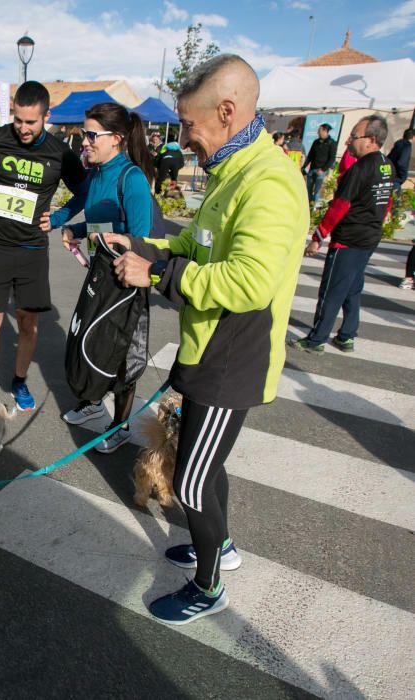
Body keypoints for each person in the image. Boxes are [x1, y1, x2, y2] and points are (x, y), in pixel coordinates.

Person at [103, 54, 307, 624]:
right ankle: (221, 544)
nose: (184, 137)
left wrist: (159, 275)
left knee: (191, 482)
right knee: (205, 466)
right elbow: (195, 243)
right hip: (206, 350)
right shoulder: (232, 172)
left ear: (226, 111)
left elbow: (248, 282)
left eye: (189, 124)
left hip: (232, 359)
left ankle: (209, 584)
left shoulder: (268, 182)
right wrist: (142, 248)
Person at [0, 81, 88, 411]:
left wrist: (58, 218)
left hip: (32, 251)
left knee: (27, 323)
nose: (22, 128)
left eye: (31, 122)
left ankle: (20, 381)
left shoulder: (59, 152)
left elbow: (84, 191)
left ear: (46, 116)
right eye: (18, 120)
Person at [43, 104, 155, 453]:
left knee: (123, 354)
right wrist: (73, 227)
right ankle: (93, 404)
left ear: (116, 139)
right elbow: (98, 216)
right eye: (83, 134)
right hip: (100, 274)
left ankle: (120, 426)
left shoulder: (131, 178)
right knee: (90, 342)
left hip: (126, 282)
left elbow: (143, 241)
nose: (85, 142)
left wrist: (112, 248)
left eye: (91, 135)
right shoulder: (97, 173)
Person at [289, 115, 394, 354]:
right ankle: (347, 334)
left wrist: (319, 236)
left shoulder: (359, 169)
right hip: (369, 236)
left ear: (371, 140)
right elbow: (387, 202)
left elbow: (340, 206)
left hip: (349, 238)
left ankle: (317, 339)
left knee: (332, 290)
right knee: (353, 286)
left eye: (354, 137)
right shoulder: (386, 165)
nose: (348, 141)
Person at [302, 123, 337, 206]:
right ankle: (308, 206)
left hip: (321, 171)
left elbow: (332, 159)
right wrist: (303, 167)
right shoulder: (316, 142)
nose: (318, 132)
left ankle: (314, 208)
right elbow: (310, 155)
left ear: (325, 131)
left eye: (319, 130)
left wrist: (323, 169)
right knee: (308, 189)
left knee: (317, 191)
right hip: (312, 169)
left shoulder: (331, 143)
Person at [387, 128, 414, 199]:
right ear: (413, 137)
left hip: (389, 177)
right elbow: (401, 163)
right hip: (396, 180)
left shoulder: (398, 144)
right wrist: (403, 177)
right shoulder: (407, 146)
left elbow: (388, 158)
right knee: (396, 206)